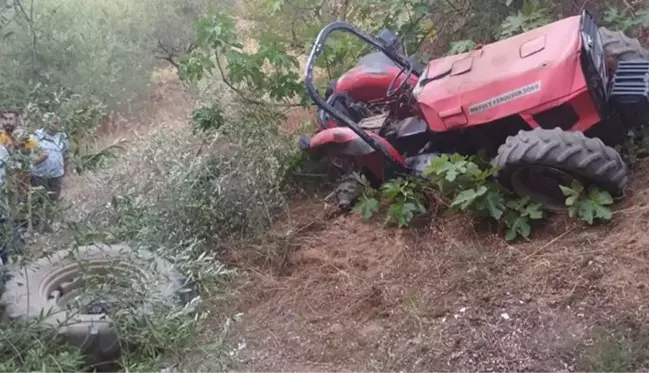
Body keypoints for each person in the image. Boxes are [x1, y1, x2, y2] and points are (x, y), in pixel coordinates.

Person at [31, 114, 69, 202]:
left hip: (56, 176)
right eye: (54, 122)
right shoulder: (36, 136)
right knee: (39, 201)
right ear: (47, 122)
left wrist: (63, 172)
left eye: (58, 123)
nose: (56, 125)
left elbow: (66, 155)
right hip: (38, 176)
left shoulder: (62, 137)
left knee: (53, 201)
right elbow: (29, 155)